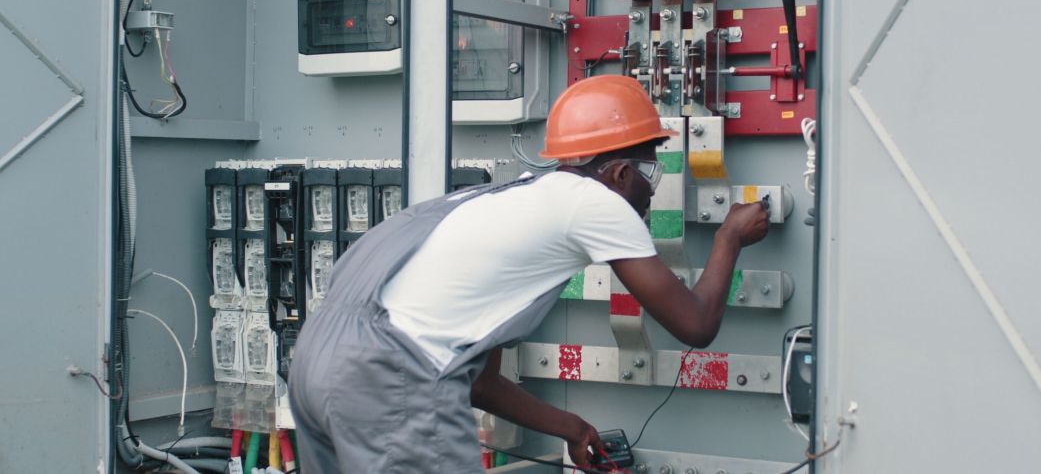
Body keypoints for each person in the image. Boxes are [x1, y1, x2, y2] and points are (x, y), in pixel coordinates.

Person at [289, 75, 770, 473]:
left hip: (318, 359)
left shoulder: (509, 202)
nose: (649, 192)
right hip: (391, 378)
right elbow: (696, 324)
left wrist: (570, 427)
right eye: (650, 172)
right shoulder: (595, 202)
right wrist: (729, 237)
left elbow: (481, 383)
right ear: (620, 172)